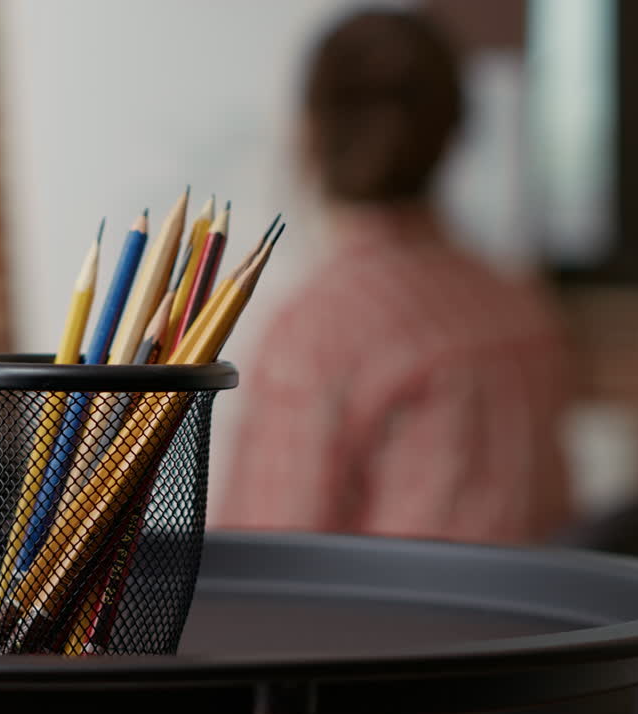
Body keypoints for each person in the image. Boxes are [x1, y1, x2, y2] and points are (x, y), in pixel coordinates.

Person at [219, 9, 572, 544]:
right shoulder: (521, 303)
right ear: (455, 132)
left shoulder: (316, 329)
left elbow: (262, 572)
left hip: (398, 631)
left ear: (309, 132)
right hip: (541, 628)